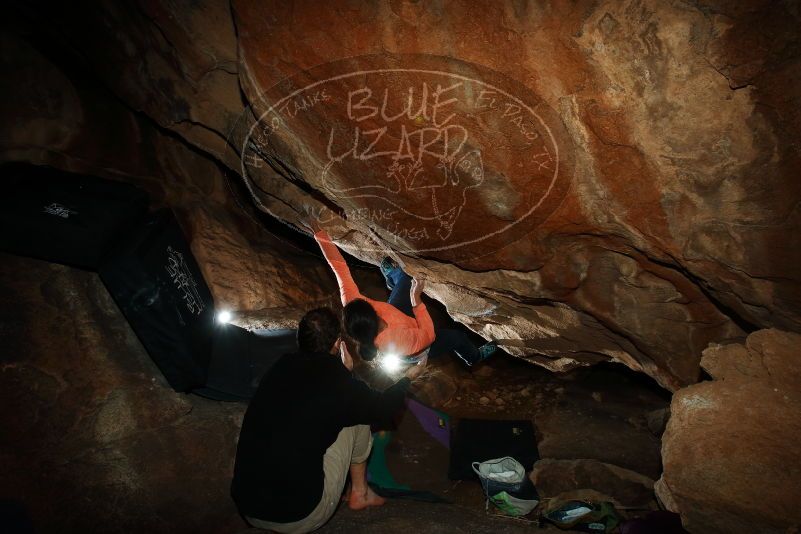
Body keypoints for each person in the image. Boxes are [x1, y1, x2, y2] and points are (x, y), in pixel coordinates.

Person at [230, 307, 427, 533]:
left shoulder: (281, 365)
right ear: (337, 343)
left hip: (248, 506)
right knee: (357, 417)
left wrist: (343, 373)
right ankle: (360, 493)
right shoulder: (338, 382)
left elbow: (314, 394)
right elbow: (382, 408)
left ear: (299, 339)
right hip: (298, 514)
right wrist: (406, 379)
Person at [311, 223, 496, 366]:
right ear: (374, 320)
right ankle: (474, 357)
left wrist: (319, 235)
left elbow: (339, 268)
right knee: (458, 338)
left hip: (398, 314)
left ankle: (393, 277)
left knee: (406, 277)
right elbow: (428, 334)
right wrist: (416, 301)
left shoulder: (353, 307)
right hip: (421, 344)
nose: (372, 304)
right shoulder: (397, 341)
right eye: (372, 309)